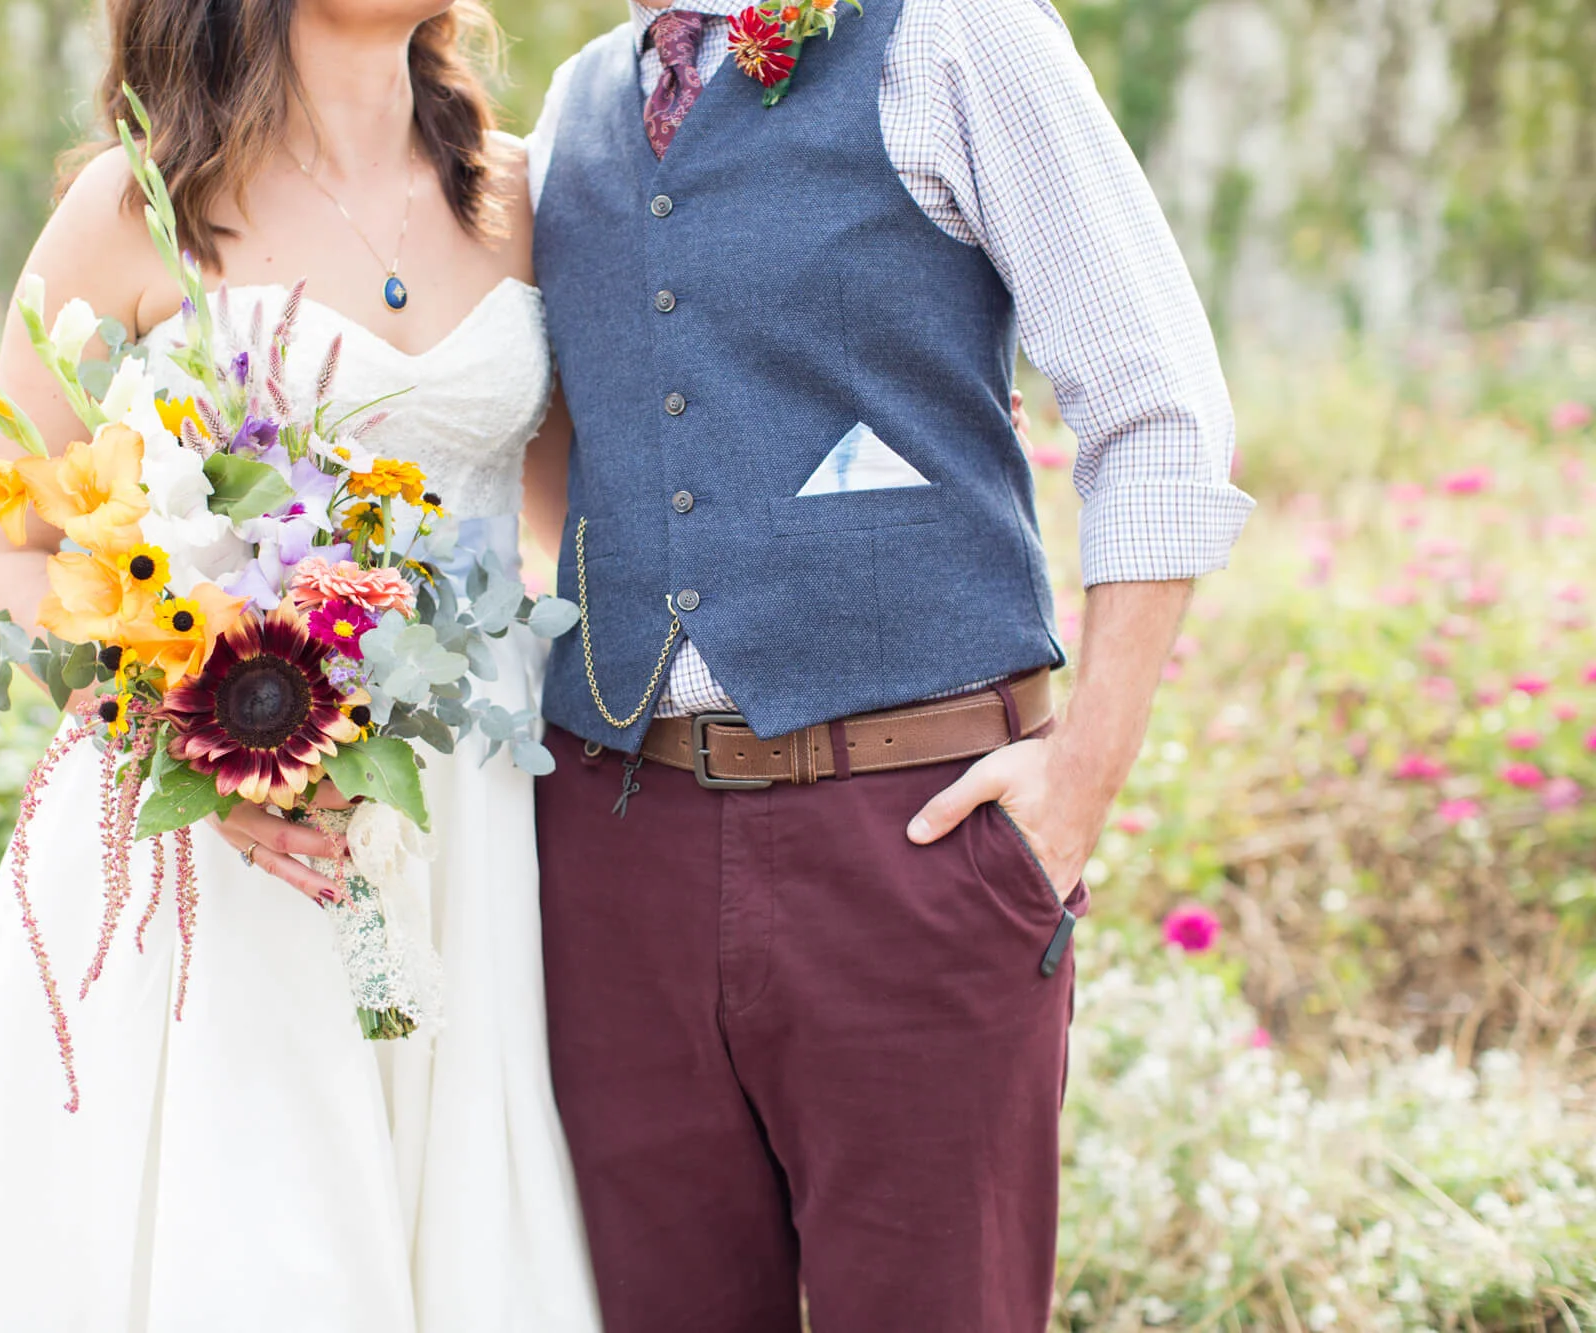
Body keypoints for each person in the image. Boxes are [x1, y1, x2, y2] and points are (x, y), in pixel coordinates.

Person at [0, 1, 599, 1328]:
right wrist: (200, 738)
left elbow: (577, 517)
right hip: (217, 858)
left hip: (471, 826)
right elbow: (9, 552)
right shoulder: (134, 208)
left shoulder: (526, 191)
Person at [519, 0, 1253, 1328]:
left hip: (905, 832)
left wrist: (1083, 776)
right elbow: (578, 452)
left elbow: (1158, 409)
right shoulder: (565, 114)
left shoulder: (957, 34)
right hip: (612, 846)